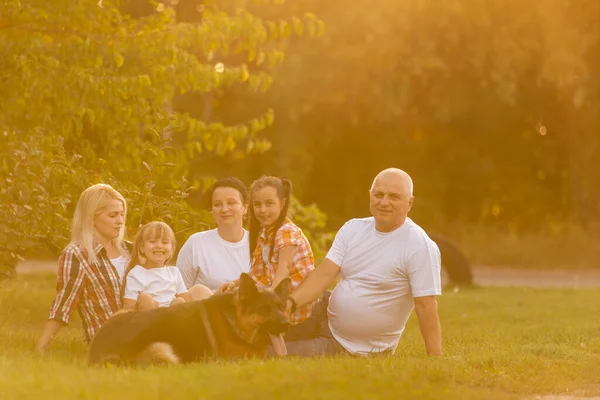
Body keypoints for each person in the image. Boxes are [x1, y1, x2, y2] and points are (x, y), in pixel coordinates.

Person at [284, 168, 443, 357]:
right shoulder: (353, 228)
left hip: (349, 346)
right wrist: (290, 303)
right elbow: (324, 273)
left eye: (394, 197)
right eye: (379, 194)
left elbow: (425, 304)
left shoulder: (419, 246)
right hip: (323, 312)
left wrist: (436, 356)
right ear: (370, 196)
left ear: (410, 203)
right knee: (261, 330)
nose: (384, 202)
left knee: (268, 352)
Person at [219, 176, 319, 339]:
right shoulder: (266, 232)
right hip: (274, 305)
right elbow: (260, 275)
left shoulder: (286, 232)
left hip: (294, 314)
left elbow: (283, 271)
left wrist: (268, 296)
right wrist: (234, 283)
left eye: (269, 203)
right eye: (257, 205)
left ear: (283, 202)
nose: (262, 210)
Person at [36, 183, 130, 353]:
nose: (120, 221)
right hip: (109, 340)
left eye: (122, 214)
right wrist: (41, 348)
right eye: (113, 215)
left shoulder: (132, 250)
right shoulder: (78, 253)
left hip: (144, 328)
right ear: (92, 218)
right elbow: (64, 304)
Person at [176, 178, 250, 292]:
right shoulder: (195, 244)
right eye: (217, 204)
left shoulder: (260, 244)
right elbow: (179, 293)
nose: (224, 209)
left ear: (245, 208)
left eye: (231, 203)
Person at [122, 221, 209, 310]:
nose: (159, 246)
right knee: (145, 299)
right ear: (141, 247)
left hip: (170, 318)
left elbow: (187, 299)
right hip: (147, 319)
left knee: (179, 301)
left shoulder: (174, 272)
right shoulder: (136, 273)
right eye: (152, 241)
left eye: (165, 242)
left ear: (172, 248)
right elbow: (129, 306)